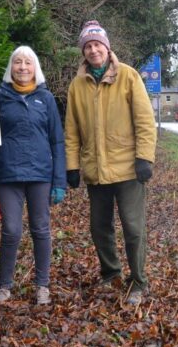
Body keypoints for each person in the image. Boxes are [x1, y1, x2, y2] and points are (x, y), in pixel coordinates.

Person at [64, 20, 157, 306]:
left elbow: (145, 121)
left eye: (97, 45)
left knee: (133, 227)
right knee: (99, 227)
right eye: (88, 46)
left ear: (107, 47)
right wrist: (72, 166)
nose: (93, 50)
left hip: (128, 168)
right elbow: (71, 130)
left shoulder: (128, 77)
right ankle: (111, 273)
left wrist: (145, 157)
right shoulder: (77, 86)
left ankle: (138, 281)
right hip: (96, 170)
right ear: (84, 51)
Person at [0, 46, 66, 305]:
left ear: (35, 68)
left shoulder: (46, 98)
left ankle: (42, 285)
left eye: (27, 62)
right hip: (8, 175)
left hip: (41, 174)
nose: (22, 67)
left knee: (41, 229)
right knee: (11, 231)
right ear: (11, 68)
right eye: (17, 62)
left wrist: (59, 181)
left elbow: (57, 141)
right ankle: (5, 285)